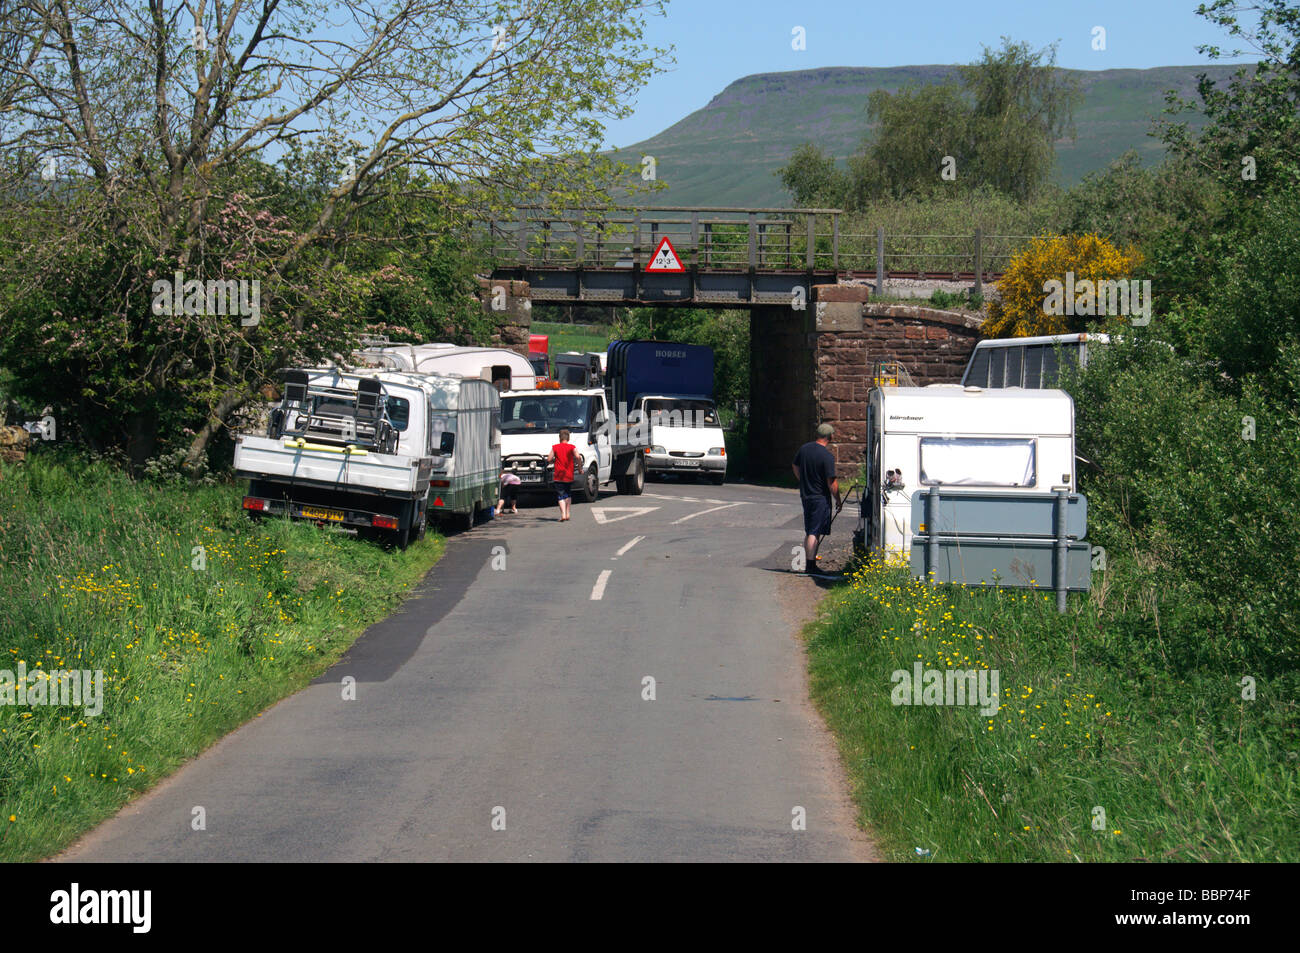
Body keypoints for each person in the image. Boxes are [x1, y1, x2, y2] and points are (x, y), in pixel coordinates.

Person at [791, 422, 842, 571]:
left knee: (810, 529)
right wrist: (838, 500)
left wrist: (803, 480)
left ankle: (809, 562)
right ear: (830, 436)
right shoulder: (827, 456)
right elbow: (831, 482)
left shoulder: (804, 449)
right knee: (814, 531)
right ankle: (811, 565)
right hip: (820, 497)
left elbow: (795, 465)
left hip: (806, 495)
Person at [548, 428, 576, 522]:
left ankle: (563, 514)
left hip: (559, 475)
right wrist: (579, 467)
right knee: (568, 494)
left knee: (560, 495)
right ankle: (568, 513)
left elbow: (549, 459)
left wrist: (553, 460)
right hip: (568, 475)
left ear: (560, 438)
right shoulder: (572, 447)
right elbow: (578, 456)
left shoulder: (555, 447)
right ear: (568, 438)